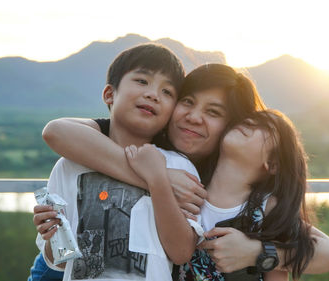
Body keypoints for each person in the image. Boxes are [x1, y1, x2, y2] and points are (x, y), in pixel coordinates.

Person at [38, 63, 329, 279]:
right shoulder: (146, 142)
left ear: (232, 126)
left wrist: (254, 252)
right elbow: (58, 132)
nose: (193, 117)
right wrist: (159, 178)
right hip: (69, 267)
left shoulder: (230, 187)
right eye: (187, 102)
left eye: (213, 112)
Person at [30, 43, 205, 281]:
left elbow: (181, 252)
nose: (153, 94)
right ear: (109, 94)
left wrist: (159, 179)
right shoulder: (70, 165)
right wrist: (51, 235)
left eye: (167, 92)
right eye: (142, 81)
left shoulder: (178, 168)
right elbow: (60, 260)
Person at [125, 109, 327, 280]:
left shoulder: (265, 209)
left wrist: (254, 252)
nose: (250, 122)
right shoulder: (185, 188)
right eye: (251, 119)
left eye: (266, 127)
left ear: (272, 164)